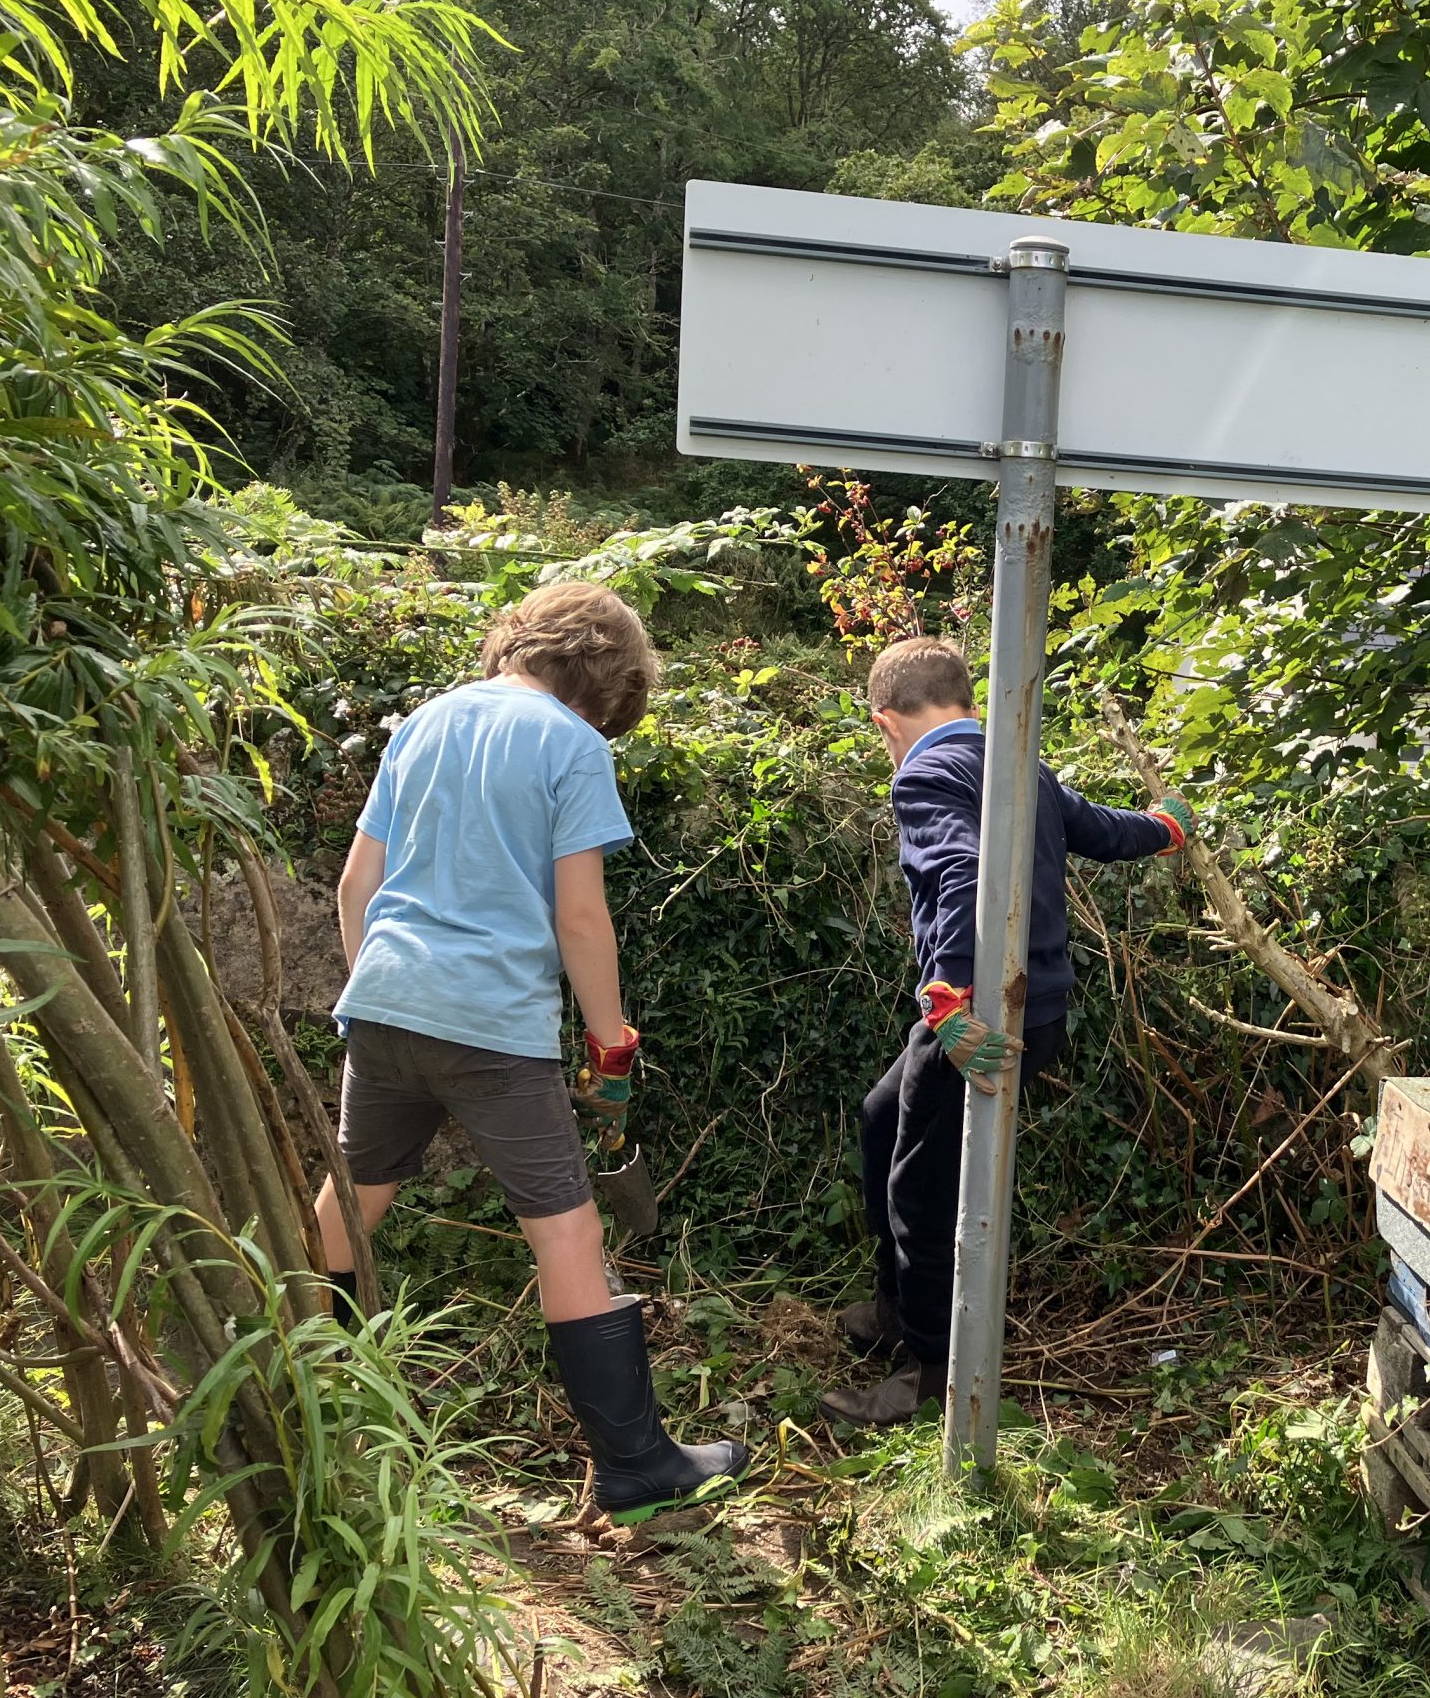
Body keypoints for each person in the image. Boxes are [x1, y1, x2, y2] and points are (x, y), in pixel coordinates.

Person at [317, 581, 747, 1523]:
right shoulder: (571, 744)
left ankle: (301, 1402)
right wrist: (609, 1043)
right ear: (607, 685)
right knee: (569, 1233)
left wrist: (380, 993)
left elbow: (358, 881)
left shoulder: (425, 722)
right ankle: (635, 1465)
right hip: (491, 1025)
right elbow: (581, 917)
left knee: (355, 1196)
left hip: (384, 998)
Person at [825, 636, 1190, 1427]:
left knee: (919, 1193)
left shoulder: (923, 771)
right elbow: (1099, 830)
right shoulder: (1019, 761)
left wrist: (949, 997)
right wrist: (1165, 827)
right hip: (1039, 1010)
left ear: (886, 719)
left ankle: (927, 1371)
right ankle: (897, 1309)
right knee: (882, 1114)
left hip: (975, 1021)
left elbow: (958, 869)